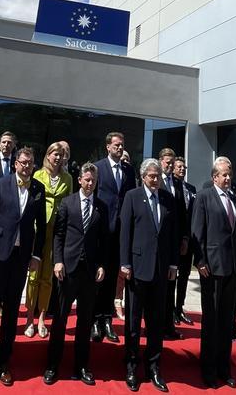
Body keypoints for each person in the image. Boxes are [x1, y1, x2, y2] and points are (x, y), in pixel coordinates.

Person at [0, 145, 47, 386]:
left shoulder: (38, 189)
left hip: (21, 259)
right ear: (15, 163)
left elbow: (41, 227)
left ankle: (4, 361)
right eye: (23, 162)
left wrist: (36, 257)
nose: (27, 166)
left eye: (30, 163)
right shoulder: (1, 184)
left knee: (12, 311)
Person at [44, 163, 107, 386]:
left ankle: (81, 366)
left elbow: (103, 242)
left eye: (93, 181)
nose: (90, 184)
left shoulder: (101, 207)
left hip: (90, 272)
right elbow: (58, 236)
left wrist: (101, 264)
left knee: (85, 321)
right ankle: (53, 365)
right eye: (87, 179)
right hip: (67, 270)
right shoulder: (67, 204)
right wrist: (58, 261)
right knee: (60, 319)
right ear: (79, 180)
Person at [120, 158, 179, 393]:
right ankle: (132, 365)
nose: (155, 180)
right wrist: (124, 263)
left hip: (161, 270)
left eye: (157, 176)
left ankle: (154, 366)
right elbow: (126, 232)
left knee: (156, 322)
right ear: (143, 176)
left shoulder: (167, 198)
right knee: (133, 322)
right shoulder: (132, 197)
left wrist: (173, 263)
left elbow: (173, 233)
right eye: (151, 176)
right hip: (137, 268)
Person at [193, 156, 236, 390]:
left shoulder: (235, 198)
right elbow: (197, 230)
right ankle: (209, 370)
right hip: (211, 267)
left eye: (230, 174)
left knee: (227, 322)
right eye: (224, 174)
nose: (228, 178)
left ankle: (225, 368)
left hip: (232, 267)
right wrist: (200, 260)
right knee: (212, 321)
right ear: (214, 176)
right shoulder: (204, 197)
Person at [93, 131, 135, 343]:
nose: (120, 148)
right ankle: (94, 319)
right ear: (108, 146)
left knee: (112, 277)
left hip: (120, 231)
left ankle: (107, 319)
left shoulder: (129, 170)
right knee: (98, 275)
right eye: (116, 145)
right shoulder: (98, 168)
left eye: (122, 145)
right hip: (101, 230)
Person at [26, 143, 72, 339]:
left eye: (61, 155)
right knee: (34, 275)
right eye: (55, 154)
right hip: (38, 229)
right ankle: (29, 318)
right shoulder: (37, 175)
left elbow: (69, 203)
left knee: (47, 277)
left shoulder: (68, 178)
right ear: (47, 155)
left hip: (57, 230)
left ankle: (43, 317)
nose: (58, 158)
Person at [157, 147, 187, 340]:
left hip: (173, 241)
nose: (169, 165)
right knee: (155, 287)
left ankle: (168, 326)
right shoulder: (154, 180)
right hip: (156, 240)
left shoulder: (177, 183)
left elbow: (182, 213)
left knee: (170, 285)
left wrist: (184, 237)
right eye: (167, 162)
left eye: (171, 162)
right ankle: (154, 325)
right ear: (160, 161)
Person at [171, 157, 197, 326]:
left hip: (189, 238)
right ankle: (170, 309)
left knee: (185, 275)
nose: (182, 169)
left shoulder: (191, 188)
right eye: (179, 167)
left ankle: (180, 307)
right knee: (172, 275)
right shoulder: (170, 187)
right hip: (174, 238)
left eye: (184, 167)